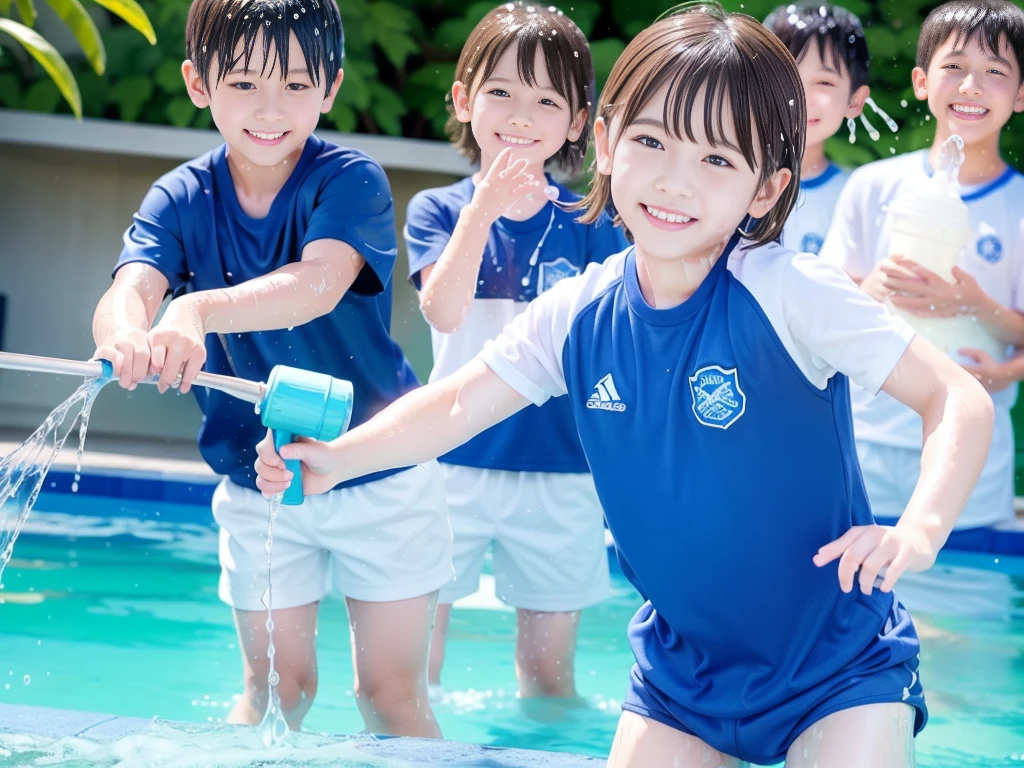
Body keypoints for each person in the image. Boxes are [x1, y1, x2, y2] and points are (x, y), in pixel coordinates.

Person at [254, 5, 994, 766]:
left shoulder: (791, 293)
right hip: (682, 680)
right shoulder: (579, 311)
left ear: (768, 188)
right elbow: (452, 404)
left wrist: (919, 530)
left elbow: (955, 398)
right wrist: (335, 458)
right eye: (650, 142)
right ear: (605, 143)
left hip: (838, 670)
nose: (675, 181)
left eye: (716, 161)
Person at [90, 0, 451, 737]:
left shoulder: (350, 180)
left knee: (388, 696)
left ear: (331, 86)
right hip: (256, 481)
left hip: (374, 469)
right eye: (246, 83)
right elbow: (131, 289)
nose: (270, 108)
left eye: (294, 84)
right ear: (198, 83)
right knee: (277, 689)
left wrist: (195, 313)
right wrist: (128, 336)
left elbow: (315, 286)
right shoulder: (181, 197)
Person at [403, 1, 627, 697]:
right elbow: (443, 308)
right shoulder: (439, 211)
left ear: (577, 124)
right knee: (415, 667)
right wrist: (483, 212)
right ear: (465, 99)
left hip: (561, 470)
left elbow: (610, 342)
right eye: (500, 92)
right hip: (451, 459)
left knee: (547, 675)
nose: (521, 117)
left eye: (545, 100)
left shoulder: (592, 222)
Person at [820, 0, 1024, 576]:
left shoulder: (1018, 205)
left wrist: (975, 308)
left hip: (967, 457)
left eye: (996, 72)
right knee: (857, 594)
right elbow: (826, 307)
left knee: (965, 612)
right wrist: (873, 285)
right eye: (955, 66)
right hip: (865, 440)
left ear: (1021, 94)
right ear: (921, 80)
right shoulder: (873, 186)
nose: (972, 86)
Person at [764, 2, 871, 254]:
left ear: (854, 101)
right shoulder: (726, 181)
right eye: (786, 77)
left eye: (824, 82)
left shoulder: (856, 195)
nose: (801, 96)